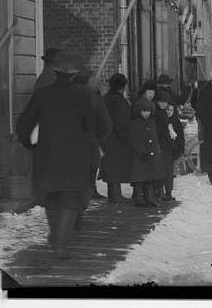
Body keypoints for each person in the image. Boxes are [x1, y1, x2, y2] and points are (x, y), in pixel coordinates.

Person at [16, 51, 94, 258]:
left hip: (47, 153)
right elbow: (91, 125)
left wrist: (29, 143)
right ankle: (61, 244)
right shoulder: (83, 95)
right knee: (69, 198)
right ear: (74, 74)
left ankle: (54, 235)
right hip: (75, 155)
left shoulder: (42, 94)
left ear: (55, 71)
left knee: (51, 195)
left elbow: (24, 123)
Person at [73, 66, 112, 204]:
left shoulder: (62, 96)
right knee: (90, 169)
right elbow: (106, 125)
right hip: (89, 141)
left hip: (67, 144)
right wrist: (96, 138)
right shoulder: (95, 98)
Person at [100, 73, 132, 204]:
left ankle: (113, 193)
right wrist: (128, 137)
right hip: (116, 139)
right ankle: (115, 195)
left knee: (109, 166)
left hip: (105, 138)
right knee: (116, 167)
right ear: (123, 86)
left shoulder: (105, 98)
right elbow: (122, 122)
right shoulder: (118, 101)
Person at [130, 97, 163, 207]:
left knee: (150, 177)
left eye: (148, 111)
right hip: (141, 155)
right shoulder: (135, 123)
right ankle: (139, 198)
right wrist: (141, 152)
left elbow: (154, 137)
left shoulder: (152, 122)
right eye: (143, 111)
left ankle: (150, 197)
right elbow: (134, 140)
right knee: (140, 178)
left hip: (151, 154)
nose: (146, 113)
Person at [152, 92, 177, 202]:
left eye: (165, 102)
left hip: (166, 145)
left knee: (167, 170)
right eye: (161, 102)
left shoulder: (162, 113)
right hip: (161, 144)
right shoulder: (157, 113)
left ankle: (166, 192)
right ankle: (161, 192)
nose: (163, 104)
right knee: (164, 170)